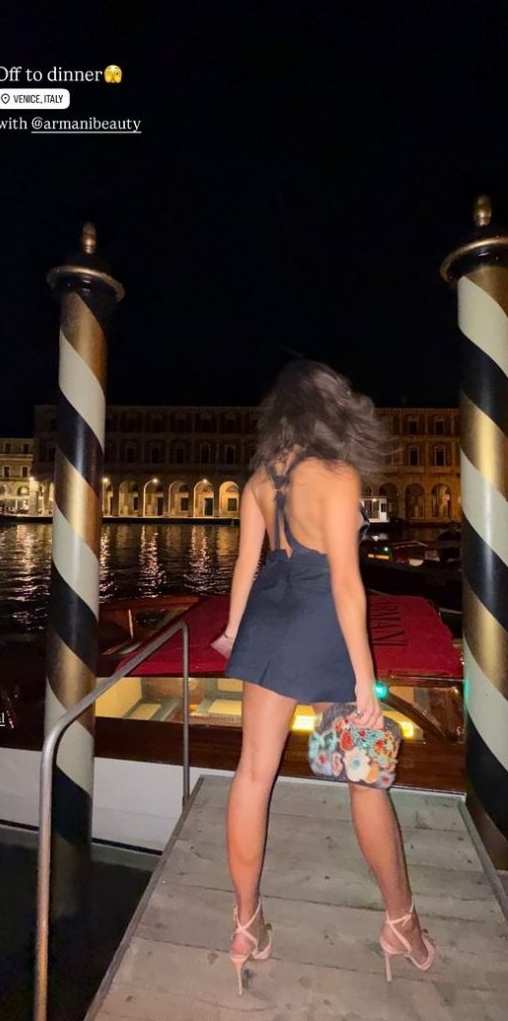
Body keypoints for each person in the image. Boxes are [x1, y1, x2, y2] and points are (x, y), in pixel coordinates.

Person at [212, 360, 436, 994]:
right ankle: (402, 924)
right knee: (366, 780)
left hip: (268, 626)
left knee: (252, 776)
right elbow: (345, 584)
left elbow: (246, 567)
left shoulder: (260, 479)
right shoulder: (338, 477)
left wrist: (233, 630)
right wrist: (365, 679)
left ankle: (246, 925)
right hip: (323, 633)